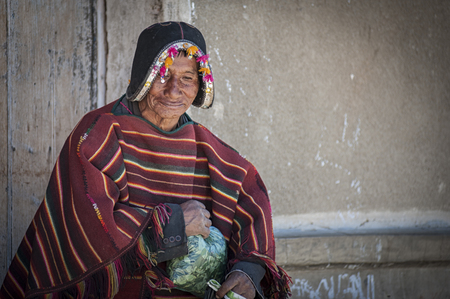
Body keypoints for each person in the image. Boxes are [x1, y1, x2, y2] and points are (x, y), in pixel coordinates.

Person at [0, 22, 291, 299]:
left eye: (188, 78)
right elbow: (86, 231)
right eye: (163, 75)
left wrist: (248, 271)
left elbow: (249, 200)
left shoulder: (208, 148)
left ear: (200, 84)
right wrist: (173, 223)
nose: (174, 90)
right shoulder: (100, 134)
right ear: (143, 76)